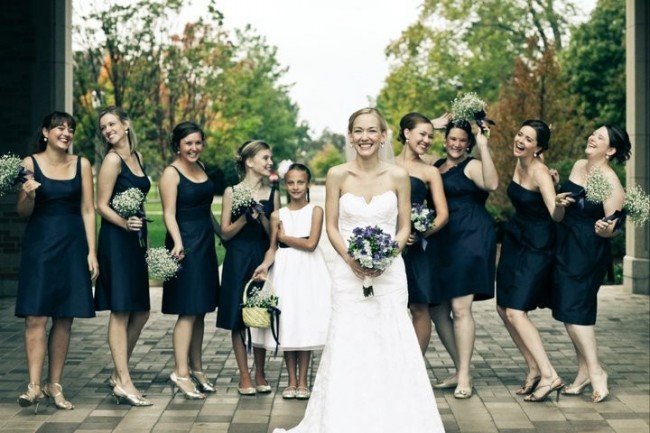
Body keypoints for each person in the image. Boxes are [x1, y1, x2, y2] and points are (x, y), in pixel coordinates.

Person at [273, 108, 445, 433]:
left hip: (390, 274)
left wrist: (385, 258)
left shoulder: (398, 177)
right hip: (347, 274)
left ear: (383, 137)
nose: (365, 137)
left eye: (371, 131)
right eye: (358, 131)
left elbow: (404, 225)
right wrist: (351, 260)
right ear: (350, 136)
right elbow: (333, 228)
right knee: (349, 340)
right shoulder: (338, 174)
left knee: (392, 338)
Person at [15, 111, 98, 413]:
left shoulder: (82, 164)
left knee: (65, 316)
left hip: (73, 245)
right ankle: (34, 387)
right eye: (60, 128)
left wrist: (92, 251)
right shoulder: (29, 163)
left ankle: (55, 385)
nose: (66, 132)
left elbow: (88, 210)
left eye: (70, 128)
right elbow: (23, 212)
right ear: (45, 133)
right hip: (40, 246)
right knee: (35, 316)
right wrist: (28, 195)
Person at [553, 125, 631, 403]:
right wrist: (557, 197)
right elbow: (561, 212)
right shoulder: (577, 166)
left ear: (610, 150)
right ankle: (584, 372)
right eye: (593, 134)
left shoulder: (610, 181)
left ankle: (597, 372)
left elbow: (614, 225)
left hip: (587, 250)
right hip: (564, 245)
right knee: (569, 312)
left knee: (576, 313)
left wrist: (605, 229)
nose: (592, 138)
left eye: (600, 137)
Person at [496, 120, 567, 402]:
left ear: (538, 148)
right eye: (520, 134)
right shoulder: (522, 161)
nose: (520, 140)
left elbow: (555, 214)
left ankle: (550, 375)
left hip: (537, 245)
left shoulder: (539, 172)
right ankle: (534, 368)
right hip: (515, 239)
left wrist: (559, 202)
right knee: (503, 308)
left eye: (529, 139)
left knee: (516, 311)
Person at [251, 163, 331, 400]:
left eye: (300, 182)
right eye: (291, 182)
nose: (296, 187)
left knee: (304, 320)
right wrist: (264, 266)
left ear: (308, 184)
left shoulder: (316, 211)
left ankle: (304, 380)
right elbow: (273, 248)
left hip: (308, 270)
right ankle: (291, 380)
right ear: (285, 185)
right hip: (285, 271)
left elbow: (311, 244)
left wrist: (285, 236)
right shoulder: (278, 214)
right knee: (288, 321)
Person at [430, 120, 498, 399]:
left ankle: (465, 376)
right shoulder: (435, 166)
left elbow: (492, 183)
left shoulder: (471, 165)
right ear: (444, 140)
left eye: (462, 140)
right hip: (441, 239)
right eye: (452, 139)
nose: (457, 144)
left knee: (460, 308)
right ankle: (460, 368)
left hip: (471, 238)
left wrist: (483, 145)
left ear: (467, 143)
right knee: (437, 308)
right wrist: (432, 124)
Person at [94, 106, 152, 407]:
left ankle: (119, 374)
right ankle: (124, 381)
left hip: (134, 242)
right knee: (121, 309)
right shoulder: (112, 160)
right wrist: (124, 222)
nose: (108, 130)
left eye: (112, 124)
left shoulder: (136, 158)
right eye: (103, 127)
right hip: (116, 240)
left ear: (126, 125)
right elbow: (101, 205)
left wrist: (140, 230)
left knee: (141, 311)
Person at [159, 121, 220, 399]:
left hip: (205, 243)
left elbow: (207, 210)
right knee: (188, 310)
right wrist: (179, 242)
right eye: (188, 143)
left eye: (198, 142)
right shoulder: (171, 173)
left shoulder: (202, 168)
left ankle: (197, 368)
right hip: (184, 244)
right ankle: (180, 372)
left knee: (201, 309)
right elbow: (168, 213)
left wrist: (223, 233)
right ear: (178, 146)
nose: (194, 148)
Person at [218, 140, 280, 395]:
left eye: (270, 158)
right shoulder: (232, 192)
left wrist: (263, 216)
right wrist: (245, 217)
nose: (269, 162)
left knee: (261, 315)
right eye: (265, 158)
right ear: (249, 161)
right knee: (237, 317)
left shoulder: (273, 193)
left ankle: (260, 373)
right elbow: (225, 233)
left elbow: (274, 235)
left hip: (261, 258)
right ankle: (244, 375)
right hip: (237, 258)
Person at [395, 112, 449, 353]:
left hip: (419, 250)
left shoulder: (430, 172)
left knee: (419, 308)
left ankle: (414, 369)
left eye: (431, 136)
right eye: (422, 134)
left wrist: (422, 233)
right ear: (406, 134)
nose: (427, 140)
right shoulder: (385, 166)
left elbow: (443, 215)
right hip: (388, 247)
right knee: (391, 307)